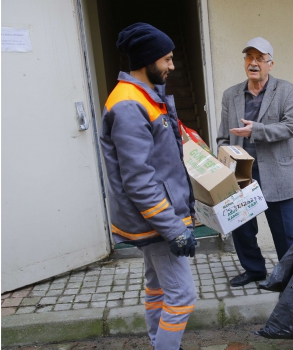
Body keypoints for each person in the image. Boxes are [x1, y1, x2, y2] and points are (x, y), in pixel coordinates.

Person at [100, 23, 197, 350]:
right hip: (156, 222)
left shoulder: (141, 96)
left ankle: (161, 342)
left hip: (154, 220)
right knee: (182, 295)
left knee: (157, 287)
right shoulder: (129, 105)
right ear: (146, 60)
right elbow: (139, 180)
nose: (172, 66)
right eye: (167, 59)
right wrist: (174, 229)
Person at [217, 37, 293, 287]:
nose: (253, 63)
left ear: (270, 64)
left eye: (259, 58)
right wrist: (223, 161)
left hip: (278, 170)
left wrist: (256, 130)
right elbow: (224, 134)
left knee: (287, 232)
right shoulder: (230, 95)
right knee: (242, 228)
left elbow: (290, 127)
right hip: (241, 172)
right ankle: (254, 270)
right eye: (249, 58)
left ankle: (290, 278)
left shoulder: (287, 91)